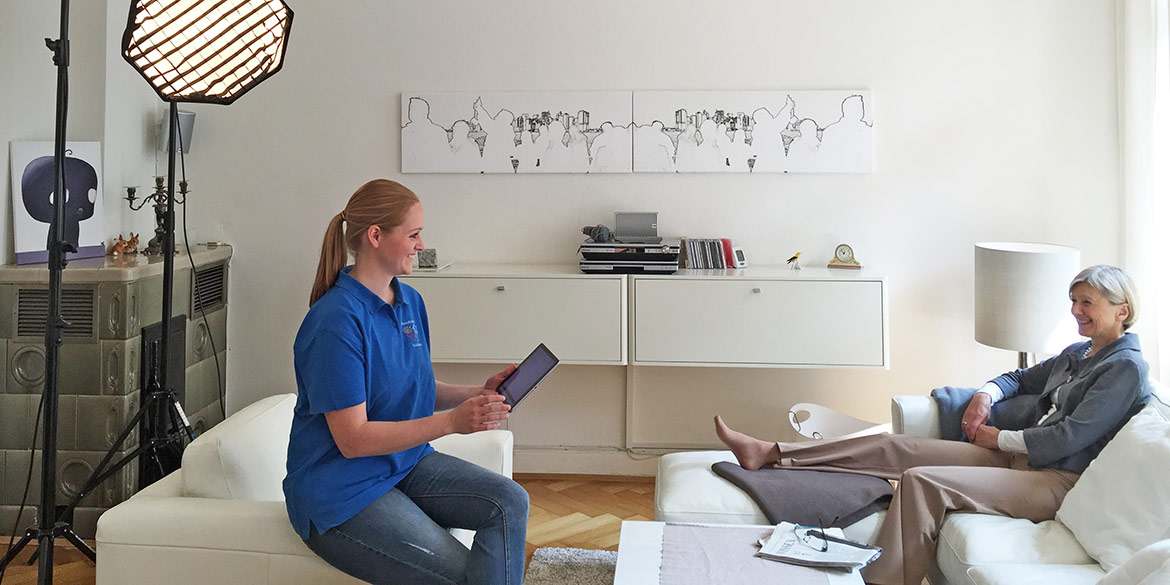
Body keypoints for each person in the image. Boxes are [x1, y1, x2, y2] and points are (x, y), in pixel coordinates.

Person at [714, 265, 1151, 585]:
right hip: (1017, 460)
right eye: (1073, 301)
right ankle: (772, 453)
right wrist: (985, 395)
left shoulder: (1125, 367)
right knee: (895, 446)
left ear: (1122, 310)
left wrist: (1002, 438)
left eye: (1086, 302)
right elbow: (1019, 378)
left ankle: (880, 581)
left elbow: (1069, 437)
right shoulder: (1079, 352)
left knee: (923, 481)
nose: (1075, 310)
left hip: (1055, 479)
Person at [283, 179, 529, 585]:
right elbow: (353, 440)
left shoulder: (409, 301)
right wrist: (451, 423)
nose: (421, 245)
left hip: (404, 464)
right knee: (466, 574)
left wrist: (479, 394)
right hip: (341, 492)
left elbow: (414, 387)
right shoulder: (335, 322)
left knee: (509, 502)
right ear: (375, 236)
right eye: (413, 235)